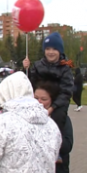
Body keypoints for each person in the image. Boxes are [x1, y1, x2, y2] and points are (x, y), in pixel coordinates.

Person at [23, 32, 74, 162]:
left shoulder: (65, 68)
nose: (51, 52)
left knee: (57, 120)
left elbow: (66, 91)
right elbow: (30, 84)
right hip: (39, 100)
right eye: (48, 49)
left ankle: (56, 151)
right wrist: (26, 69)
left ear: (60, 51)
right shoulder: (38, 65)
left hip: (57, 103)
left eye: (54, 49)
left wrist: (52, 108)